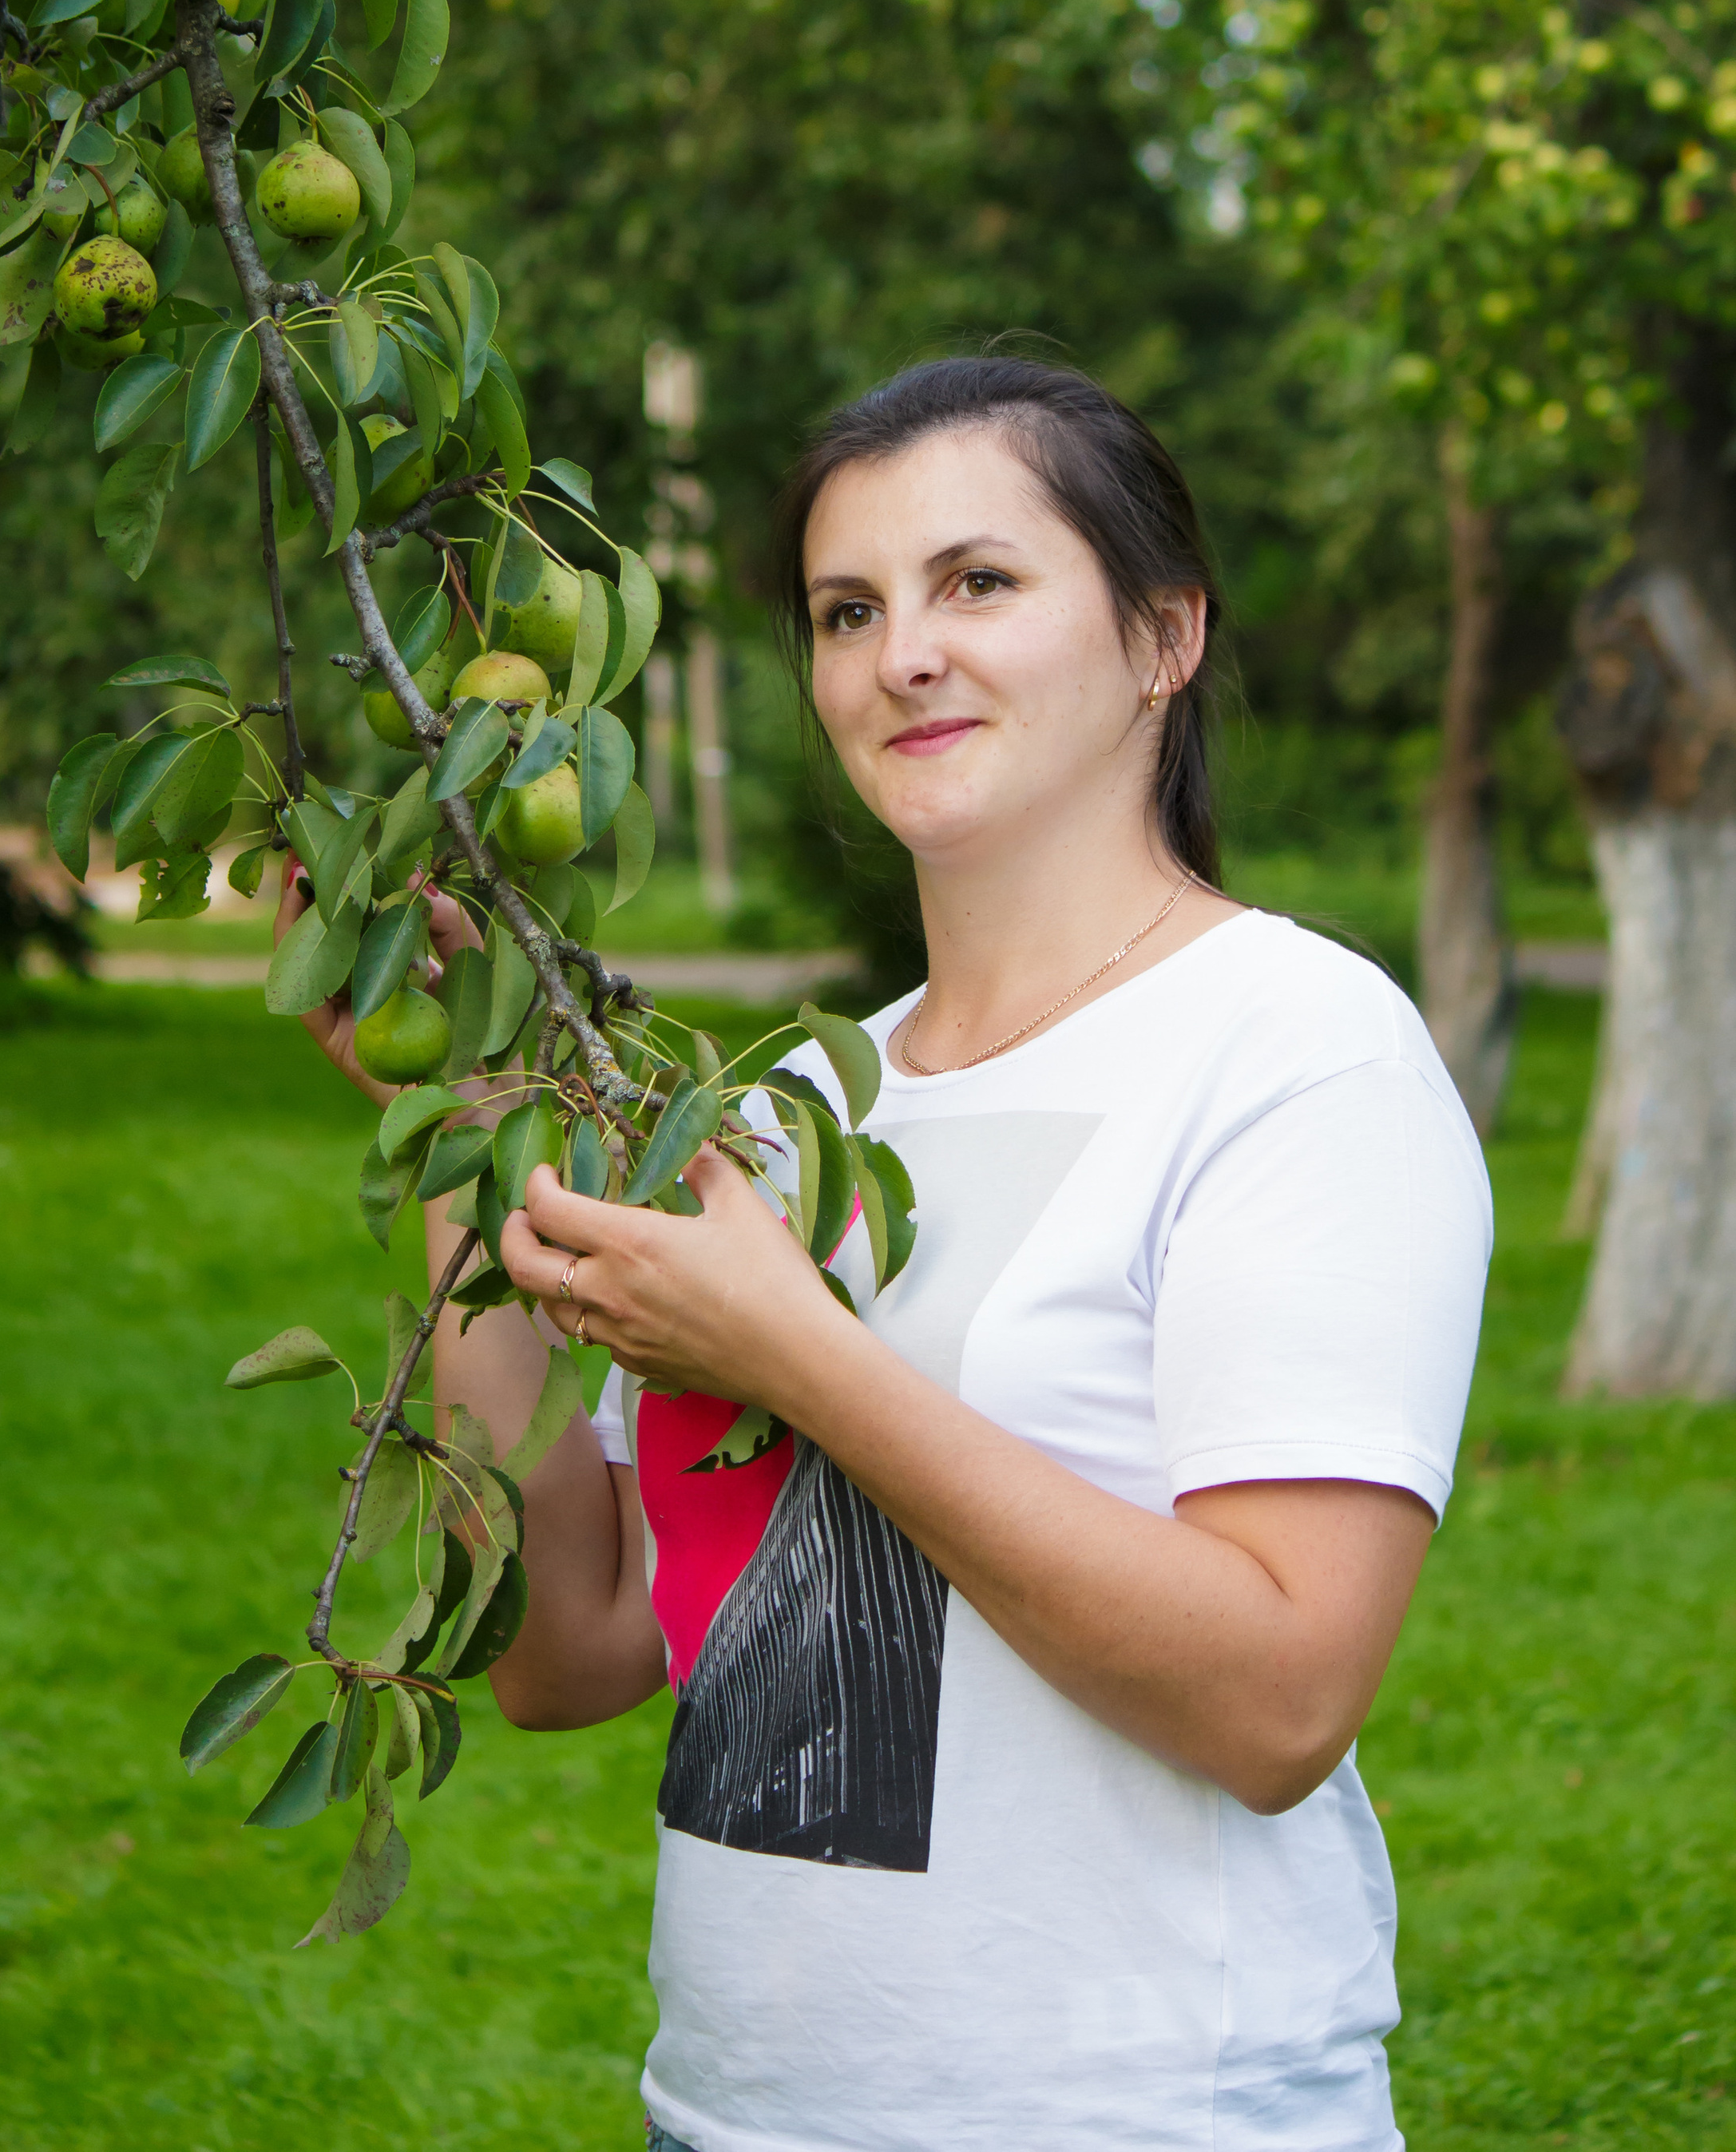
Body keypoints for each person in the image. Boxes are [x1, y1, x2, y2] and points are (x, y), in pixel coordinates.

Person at [285, 355, 1492, 2152]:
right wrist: (469, 1134)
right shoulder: (785, 1116)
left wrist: (796, 1353)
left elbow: (1278, 1700)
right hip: (731, 2118)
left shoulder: (1292, 1049)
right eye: (847, 611)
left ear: (1163, 637)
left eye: (976, 582)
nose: (901, 655)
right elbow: (571, 1652)